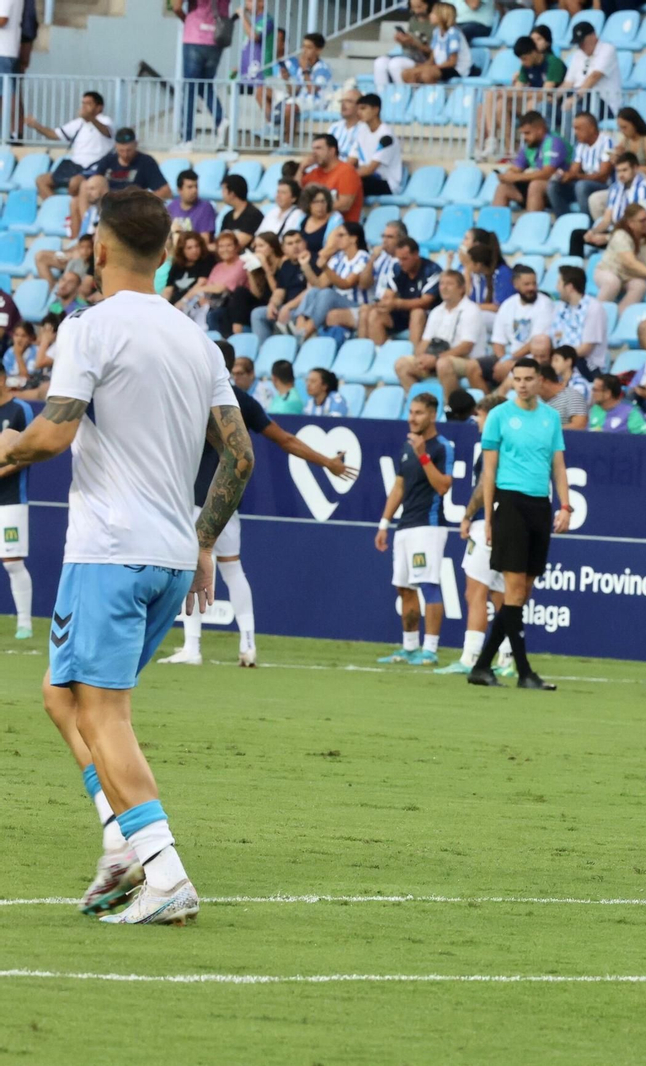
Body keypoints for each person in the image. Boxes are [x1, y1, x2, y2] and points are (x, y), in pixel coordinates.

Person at [0, 186, 255, 924]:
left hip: (110, 550)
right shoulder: (194, 338)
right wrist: (202, 541)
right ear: (168, 252)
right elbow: (237, 456)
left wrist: (8, 449)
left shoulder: (90, 326)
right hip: (170, 554)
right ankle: (119, 844)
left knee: (103, 713)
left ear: (98, 248)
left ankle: (164, 872)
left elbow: (51, 435)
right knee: (62, 694)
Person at [160, 342, 353, 668]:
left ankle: (192, 647)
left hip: (193, 499)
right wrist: (326, 463)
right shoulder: (242, 401)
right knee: (233, 569)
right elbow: (285, 439)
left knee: (191, 567)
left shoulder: (190, 393)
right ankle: (248, 644)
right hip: (227, 500)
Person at [465, 358, 572, 688]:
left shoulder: (551, 418)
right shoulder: (498, 416)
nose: (523, 384)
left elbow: (558, 466)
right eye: (518, 379)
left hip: (540, 505)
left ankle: (482, 666)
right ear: (512, 381)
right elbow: (489, 472)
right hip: (509, 503)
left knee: (522, 592)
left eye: (529, 378)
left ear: (540, 381)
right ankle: (525, 672)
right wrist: (488, 517)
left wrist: (565, 506)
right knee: (513, 590)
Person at [437, 393, 514, 678]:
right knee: (500, 593)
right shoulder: (513, 447)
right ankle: (507, 658)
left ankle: (471, 656)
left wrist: (468, 515)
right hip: (509, 524)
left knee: (476, 591)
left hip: (488, 524)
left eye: (480, 416)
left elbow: (484, 486)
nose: (476, 422)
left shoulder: (492, 448)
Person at [375, 394, 454, 666]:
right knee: (404, 588)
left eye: (419, 412)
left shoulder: (442, 447)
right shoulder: (406, 447)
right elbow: (399, 487)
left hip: (428, 526)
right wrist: (384, 523)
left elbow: (443, 486)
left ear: (432, 415)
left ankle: (430, 649)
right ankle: (409, 647)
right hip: (405, 525)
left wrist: (423, 455)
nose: (412, 417)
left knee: (428, 585)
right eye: (410, 412)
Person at [400, 270, 487, 395]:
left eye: (449, 284)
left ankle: (450, 408)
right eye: (441, 284)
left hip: (465, 361)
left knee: (443, 364)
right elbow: (425, 341)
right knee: (402, 364)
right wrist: (420, 358)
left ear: (461, 288)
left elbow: (466, 347)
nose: (444, 288)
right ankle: (422, 402)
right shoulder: (437, 311)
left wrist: (435, 359)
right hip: (437, 358)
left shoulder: (471, 310)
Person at [26, 91, 114, 202]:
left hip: (93, 167)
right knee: (41, 180)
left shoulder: (105, 120)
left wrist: (91, 118)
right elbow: (54, 134)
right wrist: (36, 126)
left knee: (75, 183)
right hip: (73, 166)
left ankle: (72, 211)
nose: (84, 107)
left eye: (88, 104)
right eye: (83, 103)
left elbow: (106, 131)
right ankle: (56, 207)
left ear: (99, 107)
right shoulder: (78, 123)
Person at [291, 221, 371, 341]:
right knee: (313, 291)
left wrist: (325, 268)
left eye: (341, 235)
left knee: (327, 294)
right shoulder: (338, 257)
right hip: (337, 301)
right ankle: (299, 328)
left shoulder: (363, 257)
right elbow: (320, 284)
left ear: (353, 239)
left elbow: (346, 284)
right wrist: (305, 266)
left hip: (356, 304)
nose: (336, 239)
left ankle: (305, 332)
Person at [360, 236, 441, 345]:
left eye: (405, 259)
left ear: (416, 255)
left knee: (417, 313)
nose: (401, 263)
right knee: (375, 314)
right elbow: (389, 295)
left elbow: (426, 302)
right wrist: (384, 304)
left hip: (427, 316)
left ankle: (413, 356)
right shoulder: (397, 268)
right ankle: (380, 354)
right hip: (403, 314)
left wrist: (397, 303)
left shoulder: (432, 270)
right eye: (399, 259)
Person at [172, 0, 231, 150]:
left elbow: (176, 6)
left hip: (195, 37)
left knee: (191, 88)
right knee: (205, 85)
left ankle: (187, 139)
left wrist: (186, 19)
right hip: (217, 38)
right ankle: (220, 119)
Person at [0, 376, 32, 638]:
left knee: (12, 563)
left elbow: (30, 452)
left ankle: (25, 623)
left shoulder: (20, 409)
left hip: (10, 500)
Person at [595, 202, 646, 310]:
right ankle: (595, 314)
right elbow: (630, 263)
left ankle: (621, 317)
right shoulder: (620, 235)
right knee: (613, 282)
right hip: (609, 271)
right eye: (642, 221)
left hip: (630, 276)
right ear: (631, 223)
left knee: (641, 286)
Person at [490, 264, 556, 384]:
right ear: (516, 285)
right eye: (527, 284)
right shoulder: (507, 305)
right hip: (508, 357)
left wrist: (510, 360)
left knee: (513, 375)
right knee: (474, 367)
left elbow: (536, 342)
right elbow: (498, 340)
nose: (531, 288)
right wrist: (502, 359)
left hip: (532, 359)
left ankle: (496, 399)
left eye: (534, 283)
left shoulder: (545, 304)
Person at [493, 111, 567, 211]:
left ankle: (532, 224)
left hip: (560, 188)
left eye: (527, 133)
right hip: (537, 188)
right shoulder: (529, 146)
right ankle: (494, 225)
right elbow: (516, 168)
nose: (524, 137)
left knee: (535, 185)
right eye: (523, 133)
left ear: (540, 130)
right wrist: (507, 176)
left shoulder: (553, 142)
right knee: (503, 188)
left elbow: (547, 173)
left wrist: (516, 177)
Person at [583, 151, 646, 250]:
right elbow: (606, 220)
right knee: (579, 236)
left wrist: (608, 238)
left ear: (635, 168)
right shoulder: (615, 187)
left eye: (624, 170)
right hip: (617, 232)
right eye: (618, 171)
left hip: (636, 235)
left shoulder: (643, 188)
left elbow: (639, 223)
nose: (621, 175)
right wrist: (593, 232)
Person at [548, 110, 614, 218]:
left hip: (605, 186)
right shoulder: (580, 145)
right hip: (585, 183)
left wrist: (576, 176)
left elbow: (603, 176)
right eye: (575, 128)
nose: (575, 132)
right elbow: (574, 171)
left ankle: (587, 223)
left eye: (578, 128)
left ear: (592, 128)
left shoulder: (607, 142)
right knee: (554, 185)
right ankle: (565, 221)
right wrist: (564, 176)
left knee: (581, 185)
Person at [275, 32, 333, 144]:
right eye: (303, 46)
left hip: (317, 102)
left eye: (309, 47)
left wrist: (305, 70)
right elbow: (294, 92)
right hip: (302, 100)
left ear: (318, 50)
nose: (305, 51)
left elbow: (312, 90)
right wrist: (286, 79)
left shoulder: (322, 68)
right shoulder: (301, 68)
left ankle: (287, 143)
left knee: (289, 108)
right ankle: (272, 128)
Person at [250, 228, 308, 342]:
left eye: (298, 242)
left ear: (305, 243)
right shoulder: (286, 265)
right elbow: (279, 291)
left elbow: (311, 290)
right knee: (257, 313)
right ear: (284, 249)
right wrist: (273, 304)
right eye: (290, 244)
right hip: (286, 308)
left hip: (303, 307)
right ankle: (264, 350)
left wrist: (288, 307)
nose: (295, 246)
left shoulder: (312, 260)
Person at [81, 129, 171, 200]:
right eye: (121, 151)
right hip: (108, 203)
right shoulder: (108, 160)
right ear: (116, 146)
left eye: (129, 150)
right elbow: (96, 181)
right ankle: (86, 222)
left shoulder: (146, 162)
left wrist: (142, 200)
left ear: (136, 145)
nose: (125, 154)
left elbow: (165, 191)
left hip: (133, 204)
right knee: (82, 189)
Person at [551, 264, 608, 373]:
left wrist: (558, 359)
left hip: (587, 365)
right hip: (561, 361)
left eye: (559, 283)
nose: (556, 288)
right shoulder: (560, 307)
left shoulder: (593, 308)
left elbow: (585, 349)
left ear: (569, 287)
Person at [561, 22, 624, 120]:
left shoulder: (607, 49)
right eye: (578, 43)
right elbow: (568, 82)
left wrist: (576, 97)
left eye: (583, 42)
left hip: (603, 102)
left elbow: (594, 77)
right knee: (546, 107)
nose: (581, 46)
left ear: (593, 36)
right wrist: (551, 97)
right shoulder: (578, 54)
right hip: (580, 99)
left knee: (574, 112)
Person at [301, 133, 363, 224]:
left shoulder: (347, 171)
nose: (314, 153)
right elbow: (294, 196)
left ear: (332, 151)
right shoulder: (314, 173)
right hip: (317, 225)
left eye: (318, 148)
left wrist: (315, 208)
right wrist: (301, 168)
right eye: (313, 149)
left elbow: (344, 205)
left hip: (343, 227)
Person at [351, 94, 404, 200]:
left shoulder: (386, 135)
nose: (359, 113)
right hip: (366, 177)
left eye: (363, 108)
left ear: (375, 110)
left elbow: (370, 170)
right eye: (358, 109)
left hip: (387, 184)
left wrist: (344, 175)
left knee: (352, 183)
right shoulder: (362, 131)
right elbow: (351, 160)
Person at [402, 0, 466, 83]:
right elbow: (433, 56)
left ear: (442, 16)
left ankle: (433, 95)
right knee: (407, 73)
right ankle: (418, 95)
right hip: (440, 66)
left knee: (427, 74)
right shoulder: (436, 31)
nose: (430, 15)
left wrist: (433, 67)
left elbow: (452, 62)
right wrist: (425, 65)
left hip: (456, 69)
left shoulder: (453, 33)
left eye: (433, 13)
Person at [374, 0, 434, 87]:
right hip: (410, 55)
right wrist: (403, 41)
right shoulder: (413, 21)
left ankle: (403, 95)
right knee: (380, 62)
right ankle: (382, 96)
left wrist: (413, 43)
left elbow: (434, 51)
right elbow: (410, 43)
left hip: (424, 59)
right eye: (413, 7)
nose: (416, 10)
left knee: (395, 64)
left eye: (419, 7)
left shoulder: (435, 23)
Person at [167, 169, 218, 237]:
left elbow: (204, 240)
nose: (195, 190)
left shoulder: (205, 208)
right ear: (180, 190)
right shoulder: (171, 207)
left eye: (196, 186)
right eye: (190, 187)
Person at [217, 174, 263, 238]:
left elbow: (239, 243)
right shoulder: (228, 216)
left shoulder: (253, 215)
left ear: (232, 193)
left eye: (224, 190)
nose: (222, 194)